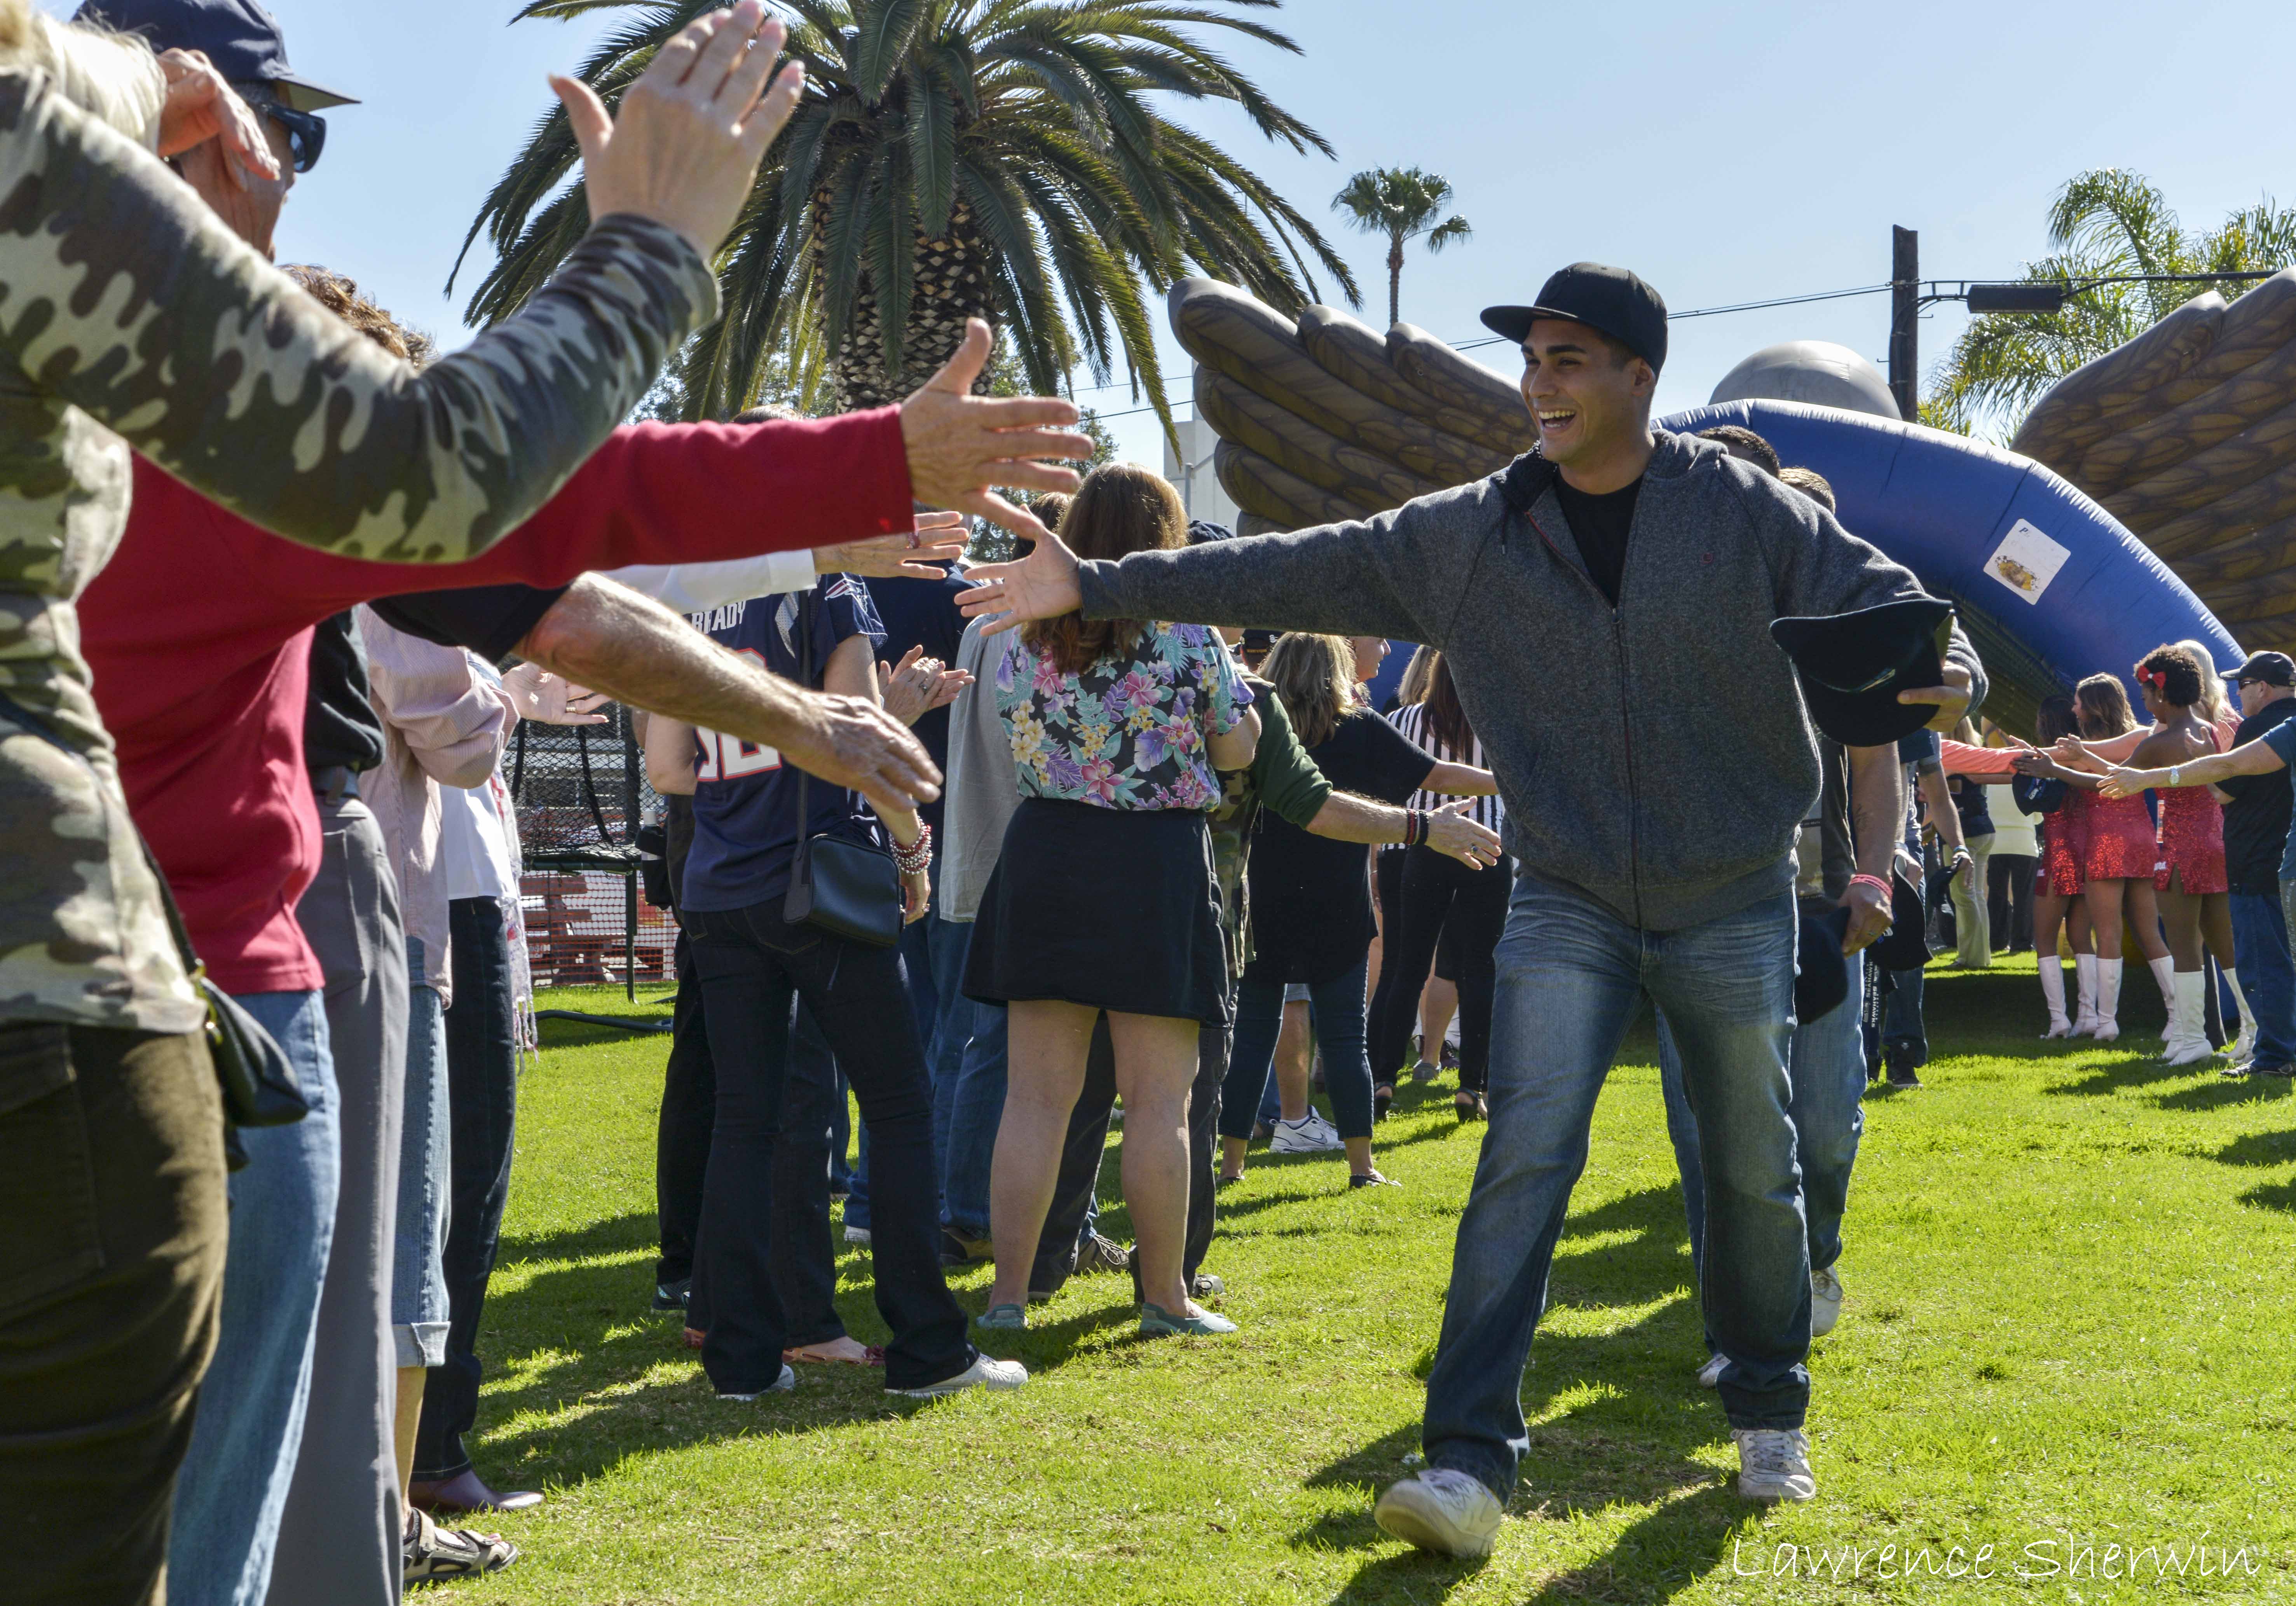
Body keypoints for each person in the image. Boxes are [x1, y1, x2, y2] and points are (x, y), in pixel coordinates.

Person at [958, 261, 1985, 1543]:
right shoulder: (1472, 532)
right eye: (1529, 359)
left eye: (1567, 360)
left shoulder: (1741, 510)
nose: (1537, 383)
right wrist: (1100, 586)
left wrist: (1946, 671)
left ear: (1635, 379)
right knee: (1520, 1163)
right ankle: (1465, 1465)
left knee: (1749, 1172)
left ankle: (1768, 1413)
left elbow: (1907, 620)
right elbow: (1296, 568)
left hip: (1728, 894)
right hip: (1563, 892)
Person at [0, 7, 799, 1601]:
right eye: (280, 130)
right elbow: (444, 486)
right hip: (60, 1027)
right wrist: (648, 243)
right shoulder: (41, 170)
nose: (281, 162)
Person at [647, 573, 1023, 1400]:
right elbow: (853, 744)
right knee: (895, 1102)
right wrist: (910, 850)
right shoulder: (825, 585)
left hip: (717, 883)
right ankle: (929, 1345)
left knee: (745, 1118)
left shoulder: (686, 598)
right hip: (811, 876)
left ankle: (742, 1360)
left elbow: (669, 766)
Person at [965, 463, 1261, 1337]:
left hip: (1047, 853)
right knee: (1159, 1102)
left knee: (1033, 1100)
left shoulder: (1024, 627)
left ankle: (1007, 1297)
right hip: (1152, 864)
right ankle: (1164, 1297)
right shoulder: (1187, 630)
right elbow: (1238, 747)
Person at [1216, 633, 1495, 1187]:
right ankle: (1362, 1166)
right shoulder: (1359, 728)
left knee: (1251, 1038)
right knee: (1346, 1039)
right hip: (1338, 902)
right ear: (1337, 669)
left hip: (1263, 900)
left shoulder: (1255, 726)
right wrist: (1510, 784)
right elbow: (1435, 776)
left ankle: (1231, 1165)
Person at [2065, 647, 2245, 1065]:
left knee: (2183, 946)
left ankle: (2191, 1037)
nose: (2143, 703)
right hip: (2217, 842)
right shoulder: (2213, 730)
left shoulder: (2159, 741)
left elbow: (2112, 783)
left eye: (2145, 695)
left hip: (2181, 849)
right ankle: (2248, 1032)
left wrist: (2056, 768)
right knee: (2225, 946)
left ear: (2161, 695)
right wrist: (2082, 757)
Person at [1367, 650, 1511, 1123]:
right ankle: (1473, 1084)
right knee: (1479, 969)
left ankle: (1384, 1076)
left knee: (1408, 966)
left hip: (1428, 843)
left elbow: (1388, 783)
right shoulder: (1500, 719)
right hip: (1487, 845)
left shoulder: (1404, 717)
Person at [2016, 675, 2174, 1042]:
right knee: (2149, 932)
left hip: (2106, 844)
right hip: (2142, 840)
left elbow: (2095, 773)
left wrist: (2048, 762)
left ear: (2094, 706)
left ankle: (2106, 1022)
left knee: (2108, 934)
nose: (2073, 709)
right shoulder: (2141, 736)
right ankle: (2177, 1015)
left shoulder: (2087, 750)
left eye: (2078, 702)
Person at [2212, 653, 2296, 1076]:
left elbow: (2224, 790)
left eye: (2240, 684)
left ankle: (2276, 1056)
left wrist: (2206, 758)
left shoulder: (2259, 727)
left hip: (2259, 862)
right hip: (2287, 863)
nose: (2236, 693)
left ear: (2261, 686)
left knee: (2264, 964)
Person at [2013, 696, 2093, 1038]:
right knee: (2081, 938)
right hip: (2090, 852)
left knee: (2044, 939)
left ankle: (2059, 1020)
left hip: (2058, 853)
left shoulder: (2042, 760)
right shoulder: (2088, 755)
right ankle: (2090, 1016)